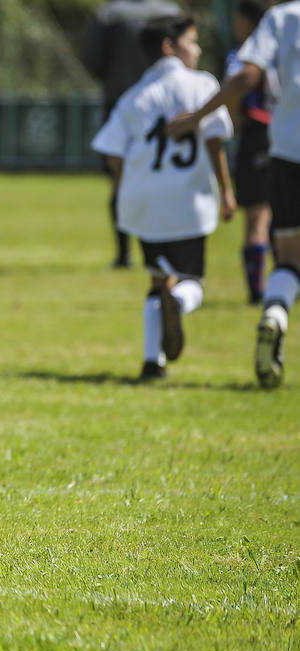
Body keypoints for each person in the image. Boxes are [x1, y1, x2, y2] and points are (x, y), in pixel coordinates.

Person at [92, 14, 235, 381]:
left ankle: (151, 362)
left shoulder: (134, 96)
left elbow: (111, 152)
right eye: (192, 41)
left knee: (157, 281)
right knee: (193, 282)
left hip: (144, 203)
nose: (198, 49)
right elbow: (215, 140)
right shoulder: (201, 84)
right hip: (188, 202)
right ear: (170, 47)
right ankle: (181, 303)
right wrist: (226, 190)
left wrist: (129, 185)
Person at [169, 1, 300, 389]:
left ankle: (275, 312)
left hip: (289, 148)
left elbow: (245, 78)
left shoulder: (282, 17)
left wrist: (196, 117)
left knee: (290, 256)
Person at [82, 0, 182, 269]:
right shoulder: (171, 12)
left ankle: (124, 253)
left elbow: (92, 59)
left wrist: (116, 78)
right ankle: (167, 250)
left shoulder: (109, 15)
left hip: (121, 100)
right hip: (168, 104)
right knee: (166, 175)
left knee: (119, 177)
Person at [225, 0, 278, 305]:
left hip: (258, 134)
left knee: (257, 216)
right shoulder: (286, 50)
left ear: (248, 21)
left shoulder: (245, 55)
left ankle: (257, 291)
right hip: (288, 135)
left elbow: (237, 88)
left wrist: (232, 121)